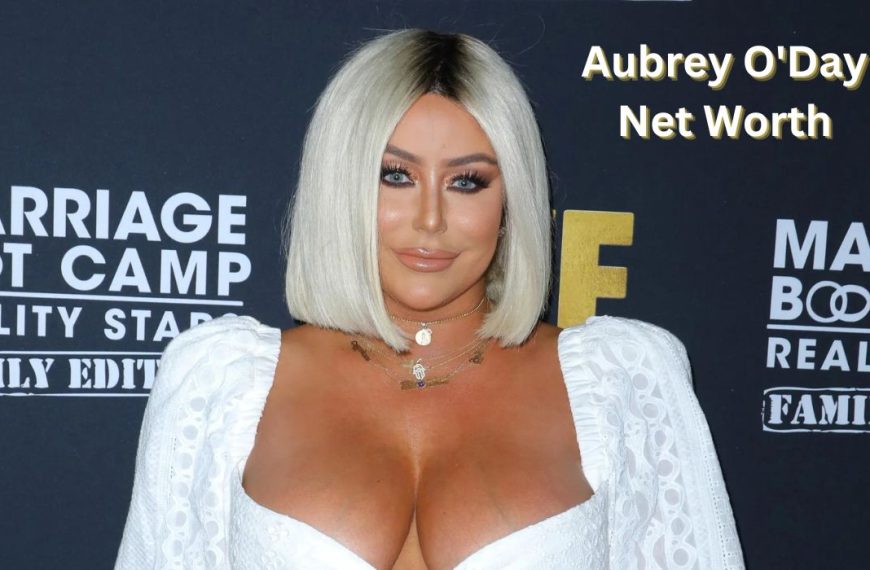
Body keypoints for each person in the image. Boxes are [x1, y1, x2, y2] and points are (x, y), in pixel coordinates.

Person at [115, 28, 744, 569]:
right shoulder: (218, 384)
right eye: (396, 176)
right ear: (340, 185)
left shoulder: (625, 381)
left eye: (467, 182)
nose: (431, 220)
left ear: (511, 201)